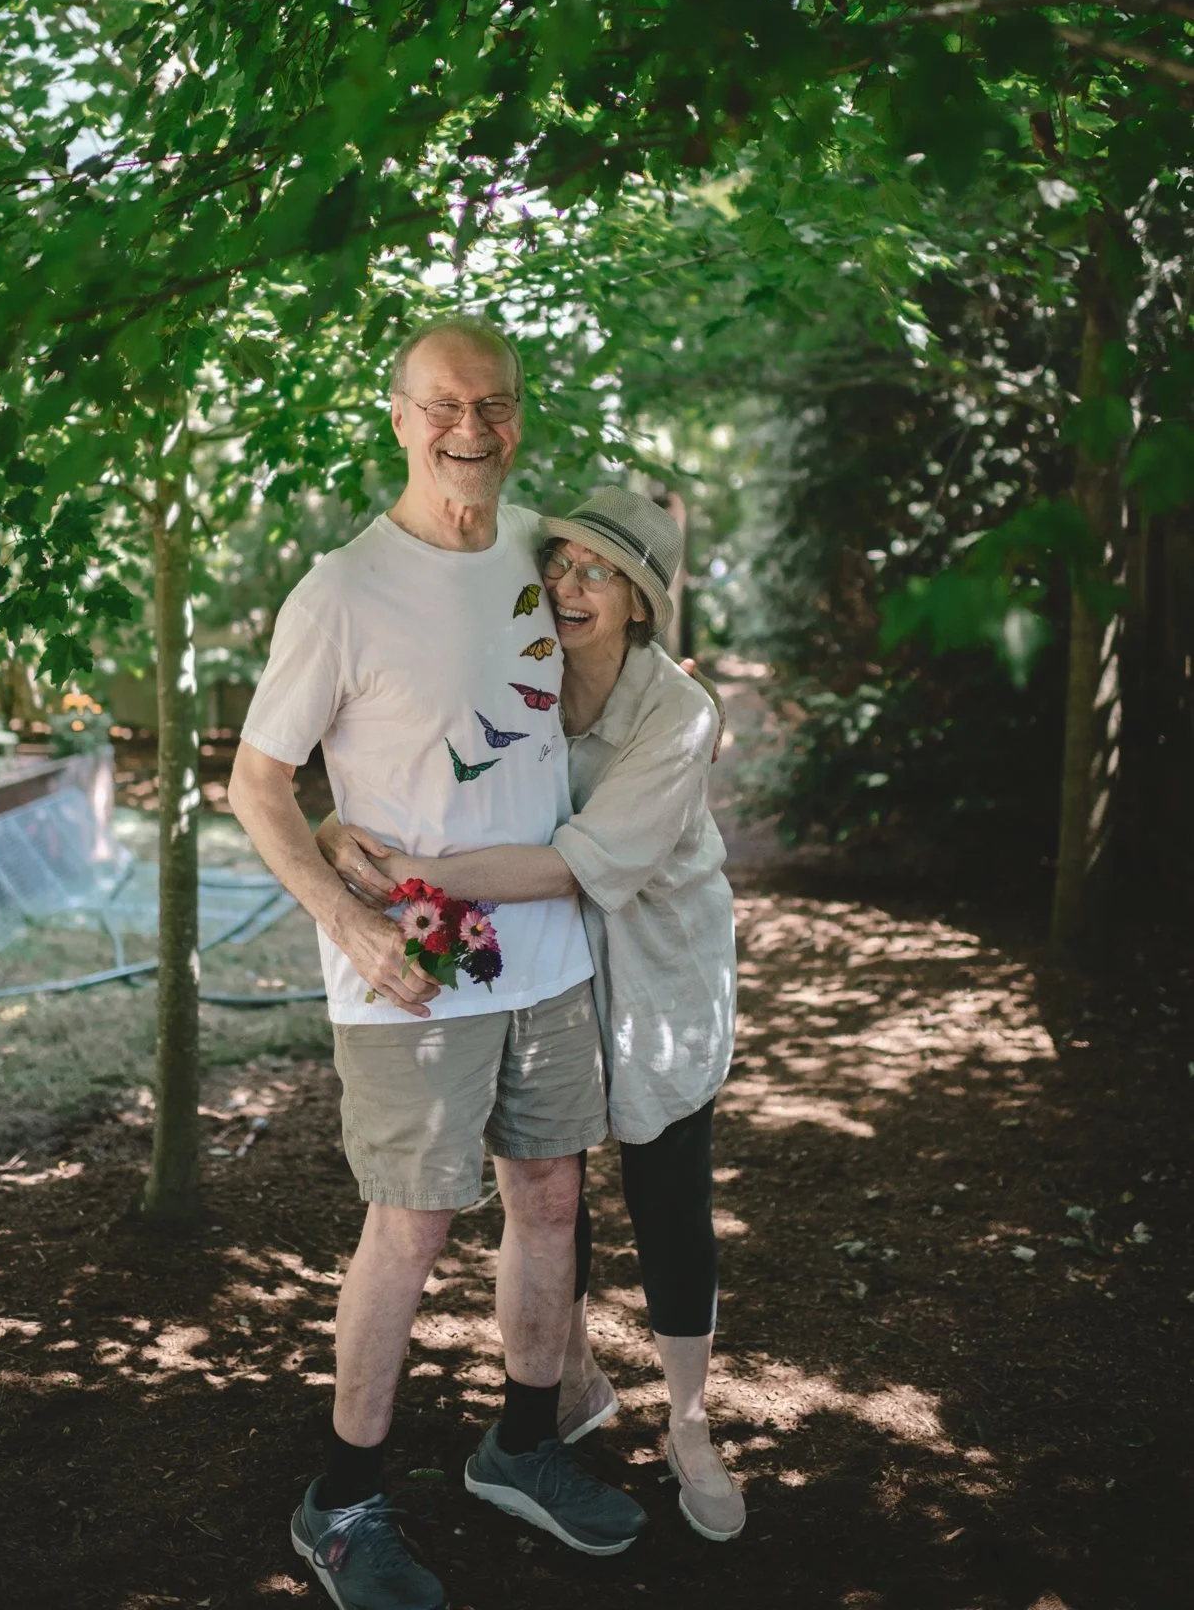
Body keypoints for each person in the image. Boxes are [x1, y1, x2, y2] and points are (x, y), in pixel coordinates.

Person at [227, 321, 645, 1610]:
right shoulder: (340, 588)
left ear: (522, 415)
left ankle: (521, 1447)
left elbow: (605, 677)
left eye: (497, 404)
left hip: (544, 954)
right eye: (446, 405)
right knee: (408, 1228)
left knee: (552, 1205)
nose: (474, 428)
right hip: (411, 970)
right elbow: (255, 781)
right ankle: (341, 1499)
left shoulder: (539, 560)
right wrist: (347, 921)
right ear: (399, 416)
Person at [319, 488, 744, 1543]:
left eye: (597, 573)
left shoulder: (679, 714)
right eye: (559, 563)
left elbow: (567, 862)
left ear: (641, 602)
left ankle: (690, 1419)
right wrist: (341, 820)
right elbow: (433, 763)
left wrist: (417, 872)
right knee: (556, 1178)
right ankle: (571, 1377)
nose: (566, 585)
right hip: (554, 953)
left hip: (656, 958)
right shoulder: (529, 670)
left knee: (663, 1177)